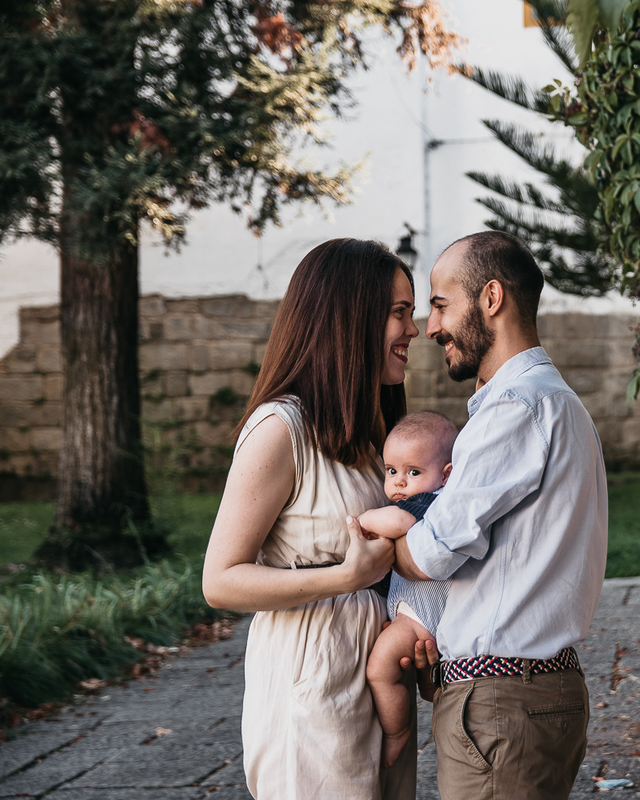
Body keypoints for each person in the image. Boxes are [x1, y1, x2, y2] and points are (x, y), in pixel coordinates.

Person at [351, 230, 609, 800]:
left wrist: (388, 533)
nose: (431, 327)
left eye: (441, 305)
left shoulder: (515, 407)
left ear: (491, 298)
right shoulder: (554, 402)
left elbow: (431, 554)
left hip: (502, 704)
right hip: (527, 694)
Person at [202, 238, 429, 800]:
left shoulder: (376, 435)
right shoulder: (280, 429)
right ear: (352, 319)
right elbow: (220, 580)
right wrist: (345, 577)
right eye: (399, 312)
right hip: (313, 683)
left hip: (379, 680)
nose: (414, 329)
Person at [358, 412, 457, 770]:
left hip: (419, 618)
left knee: (379, 670)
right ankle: (432, 695)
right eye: (391, 471)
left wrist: (363, 520)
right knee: (426, 676)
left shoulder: (429, 502)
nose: (399, 481)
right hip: (424, 615)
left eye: (413, 472)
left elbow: (400, 522)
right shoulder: (441, 503)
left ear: (446, 474)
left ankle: (397, 731)